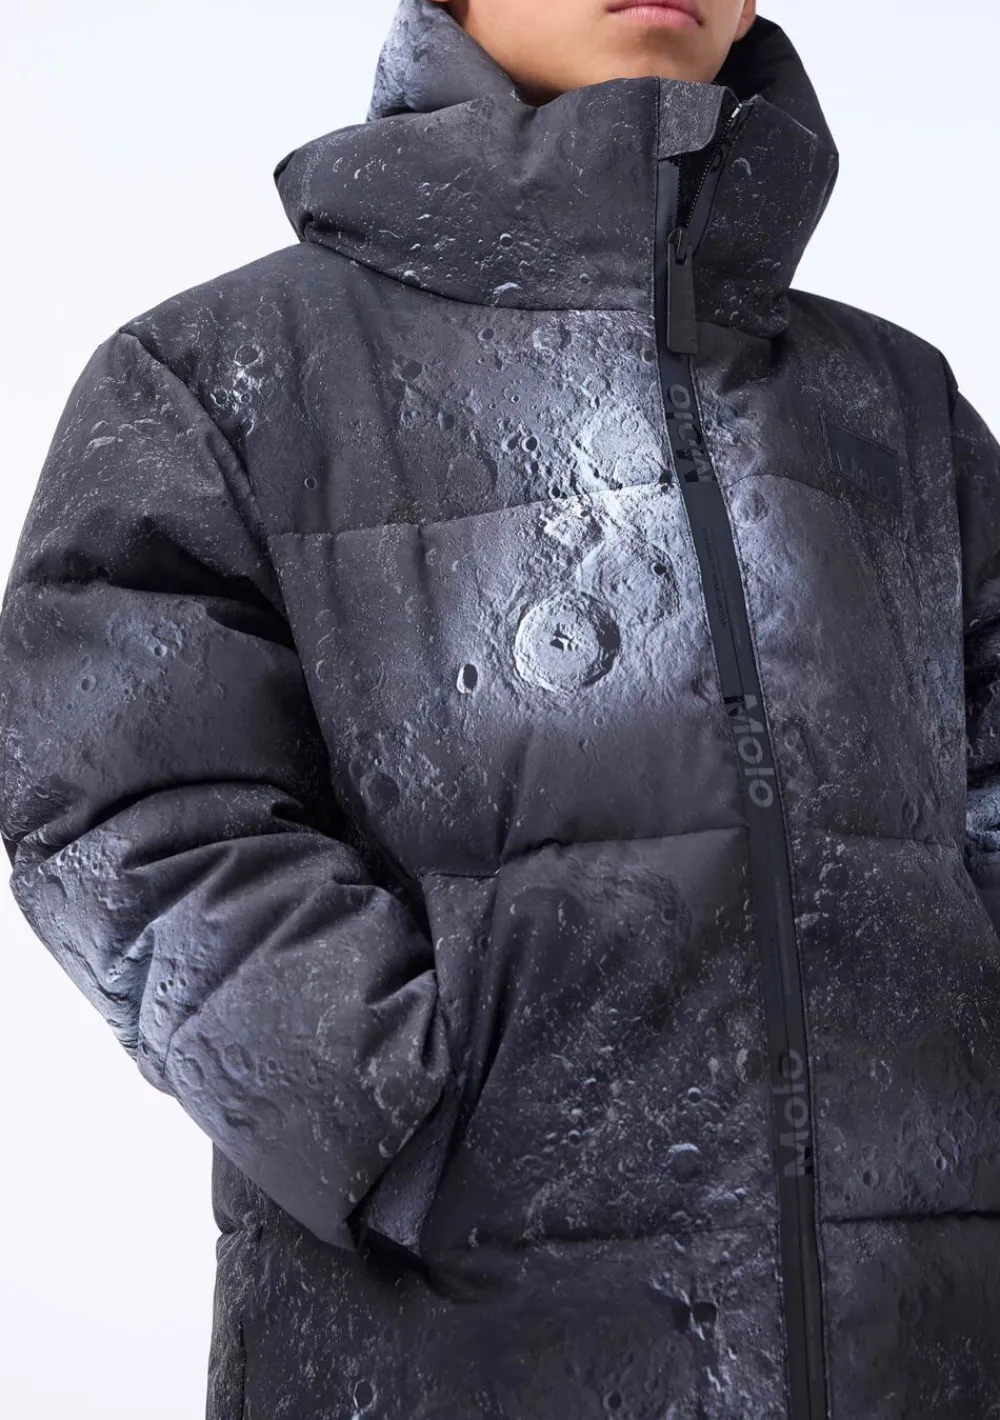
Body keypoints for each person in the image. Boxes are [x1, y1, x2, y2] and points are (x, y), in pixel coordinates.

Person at [1, 0, 998, 1414]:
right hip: (451, 1343)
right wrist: (402, 1122)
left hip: (922, 1343)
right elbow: (121, 801)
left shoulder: (894, 402)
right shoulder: (219, 374)